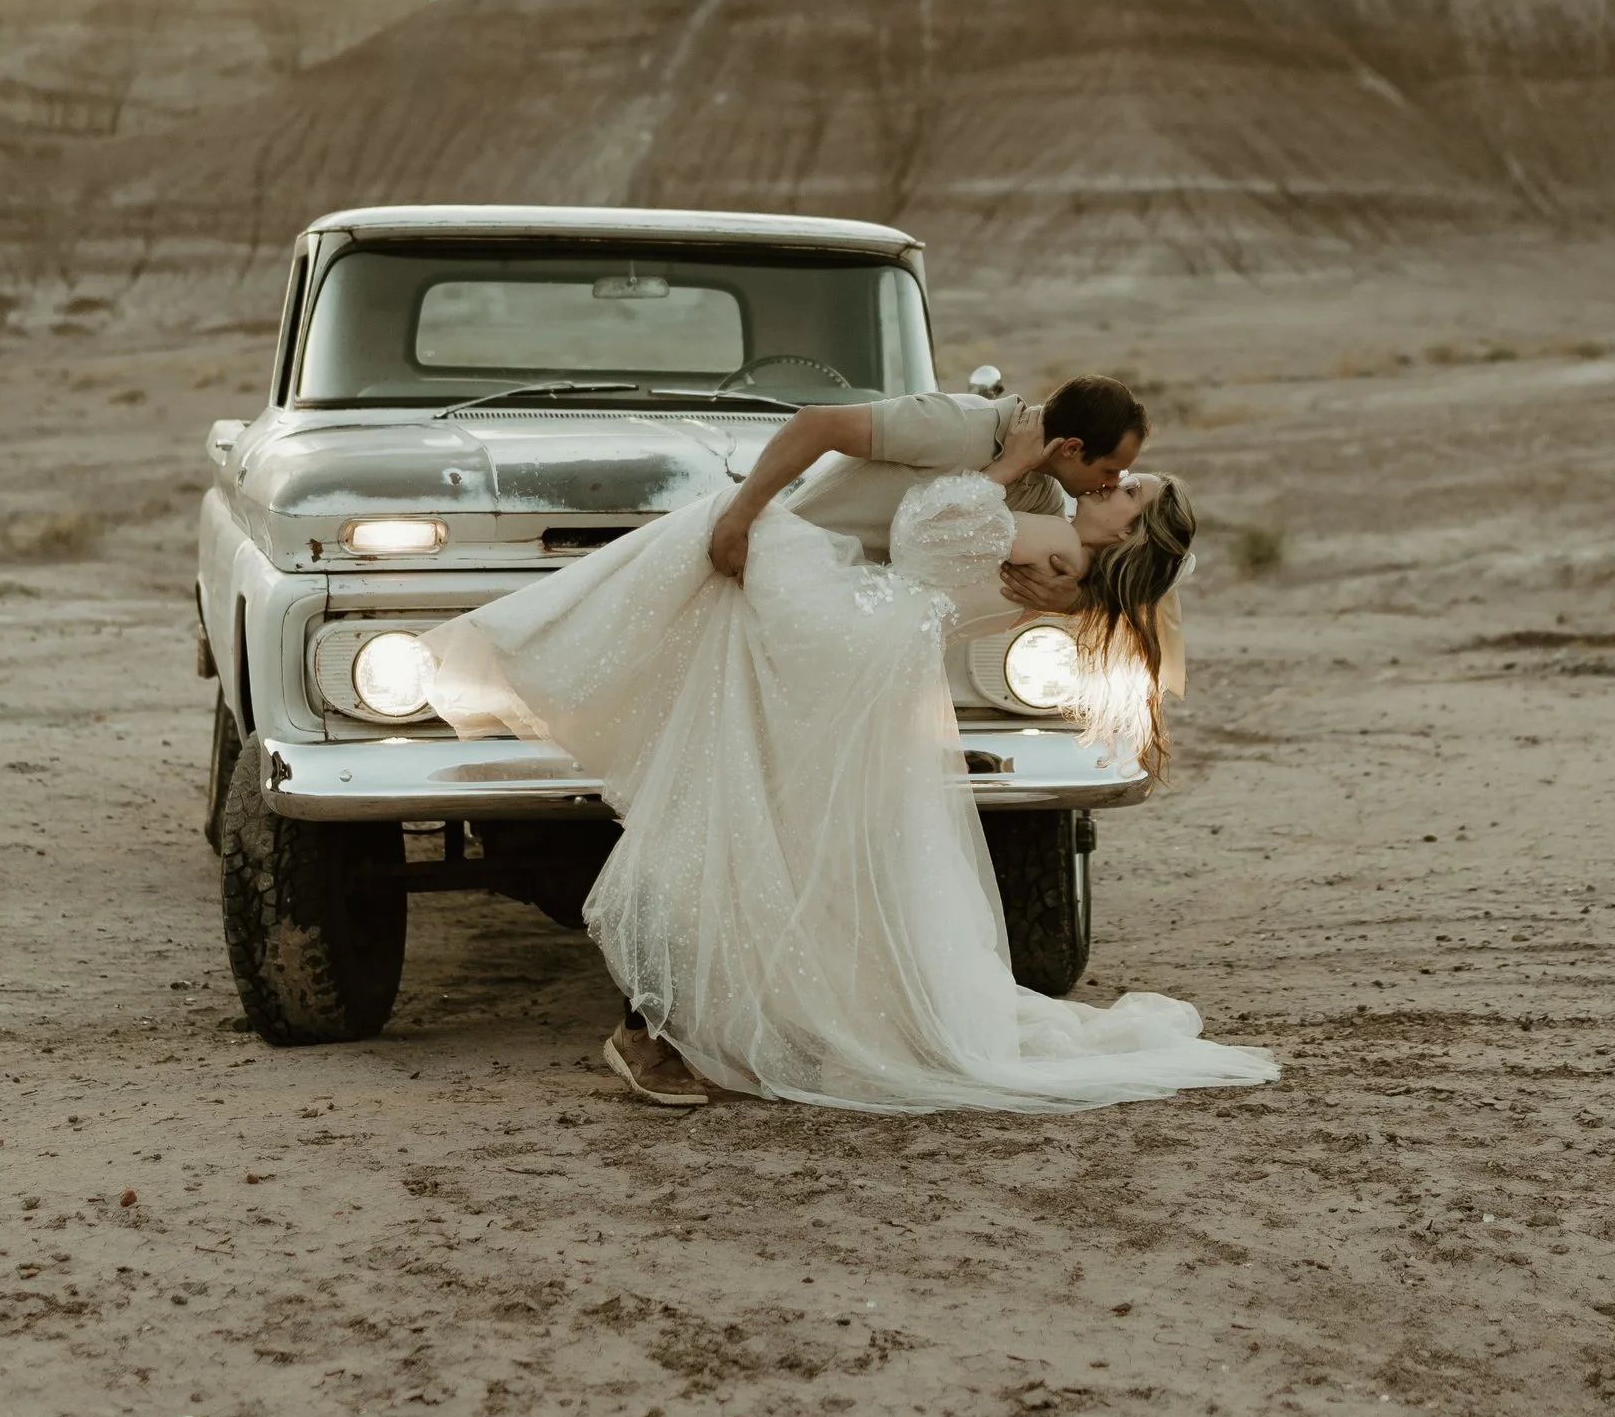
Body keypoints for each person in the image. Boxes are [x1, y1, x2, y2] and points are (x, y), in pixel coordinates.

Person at [420, 410, 1275, 1119]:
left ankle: (661, 1021)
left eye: (1130, 491)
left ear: (1131, 530)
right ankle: (694, 1025)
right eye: (1121, 474)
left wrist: (1003, 465)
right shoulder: (1067, 558)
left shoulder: (1050, 528)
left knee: (730, 776)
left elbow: (927, 531)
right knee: (780, 829)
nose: (1111, 487)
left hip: (845, 635)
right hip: (869, 654)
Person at [710, 372, 1149, 618]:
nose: (1111, 483)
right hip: (763, 575)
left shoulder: (1043, 499)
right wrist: (738, 519)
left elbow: (1073, 569)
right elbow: (815, 425)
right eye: (1110, 470)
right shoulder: (958, 426)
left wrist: (1078, 600)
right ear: (1073, 448)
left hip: (835, 618)